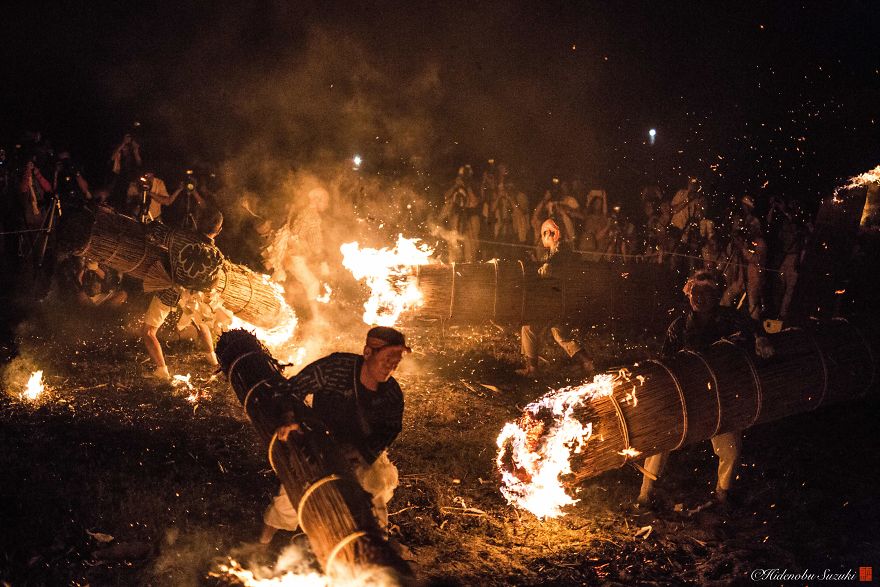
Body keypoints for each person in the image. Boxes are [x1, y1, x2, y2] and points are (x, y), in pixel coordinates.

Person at [636, 269, 774, 509]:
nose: (699, 298)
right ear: (689, 294)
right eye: (695, 292)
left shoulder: (731, 319)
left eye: (706, 293)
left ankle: (722, 494)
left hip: (720, 397)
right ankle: (645, 495)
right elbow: (666, 361)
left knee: (730, 449)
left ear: (716, 295)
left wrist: (760, 338)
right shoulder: (679, 327)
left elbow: (754, 328)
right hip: (688, 396)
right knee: (662, 440)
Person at [259, 326, 409, 545]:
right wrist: (290, 418)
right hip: (320, 441)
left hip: (360, 450)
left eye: (395, 361)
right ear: (368, 353)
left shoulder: (391, 393)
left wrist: (361, 451)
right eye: (387, 359)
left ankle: (375, 549)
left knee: (372, 492)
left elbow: (391, 428)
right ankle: (262, 543)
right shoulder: (335, 368)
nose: (391, 367)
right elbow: (291, 388)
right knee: (294, 494)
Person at [141, 208, 224, 380]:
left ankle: (162, 370)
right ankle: (213, 361)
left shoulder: (178, 236)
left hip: (170, 290)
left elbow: (154, 230)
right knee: (202, 325)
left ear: (197, 219)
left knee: (149, 331)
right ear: (219, 231)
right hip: (193, 298)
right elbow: (212, 283)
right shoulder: (217, 256)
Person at [516, 218, 594, 377]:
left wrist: (546, 266)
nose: (543, 237)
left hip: (558, 302)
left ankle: (532, 369)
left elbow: (554, 265)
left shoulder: (561, 250)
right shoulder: (553, 252)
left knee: (529, 327)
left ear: (553, 234)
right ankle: (587, 362)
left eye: (546, 233)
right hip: (561, 301)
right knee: (560, 334)